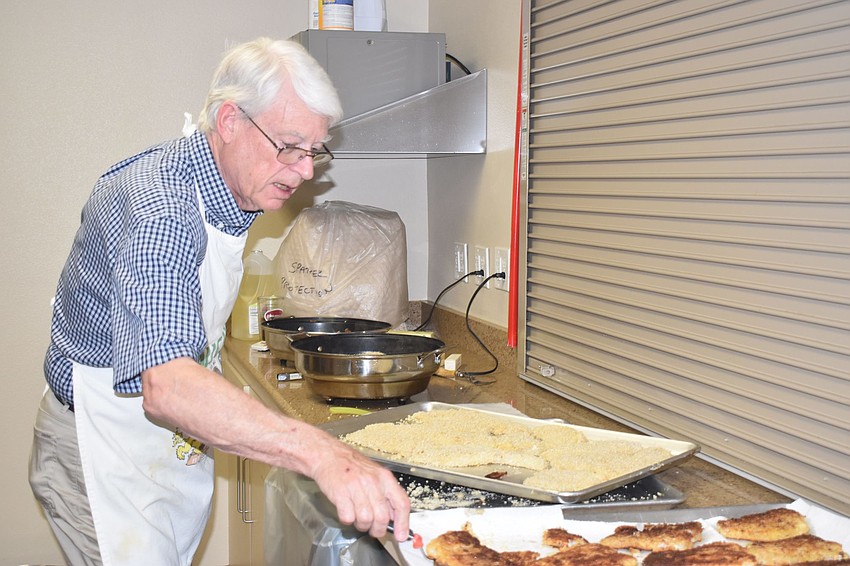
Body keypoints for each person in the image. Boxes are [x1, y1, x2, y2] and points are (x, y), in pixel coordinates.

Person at [29, 37, 411, 565]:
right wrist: (321, 452)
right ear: (230, 121)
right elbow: (166, 384)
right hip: (102, 447)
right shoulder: (161, 208)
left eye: (315, 152)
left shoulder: (228, 194)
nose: (305, 172)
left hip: (151, 445)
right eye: (291, 146)